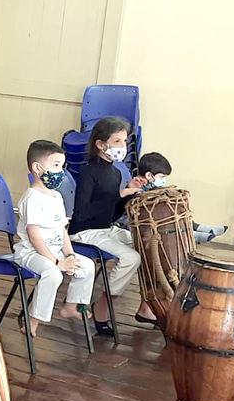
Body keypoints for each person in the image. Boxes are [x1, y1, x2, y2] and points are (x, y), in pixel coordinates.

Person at [69, 116, 151, 330]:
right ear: (100, 144)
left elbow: (112, 215)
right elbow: (82, 213)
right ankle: (103, 305)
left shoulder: (115, 173)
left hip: (106, 229)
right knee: (131, 257)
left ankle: (148, 305)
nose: (122, 147)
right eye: (117, 142)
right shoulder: (88, 172)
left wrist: (126, 195)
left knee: (147, 243)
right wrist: (118, 194)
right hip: (84, 232)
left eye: (124, 142)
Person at [15, 139, 95, 337]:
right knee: (53, 274)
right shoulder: (32, 198)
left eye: (62, 166)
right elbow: (34, 237)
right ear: (37, 168)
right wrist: (57, 262)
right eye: (56, 166)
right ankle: (33, 320)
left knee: (86, 266)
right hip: (31, 253)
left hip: (56, 251)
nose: (60, 172)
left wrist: (70, 254)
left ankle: (71, 306)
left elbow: (62, 230)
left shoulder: (56, 197)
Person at [133, 152, 227, 245]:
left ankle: (197, 227)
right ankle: (190, 234)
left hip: (157, 220)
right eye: (162, 177)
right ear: (149, 175)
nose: (163, 181)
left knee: (175, 207)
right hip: (146, 223)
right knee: (166, 211)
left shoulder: (152, 187)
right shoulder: (137, 186)